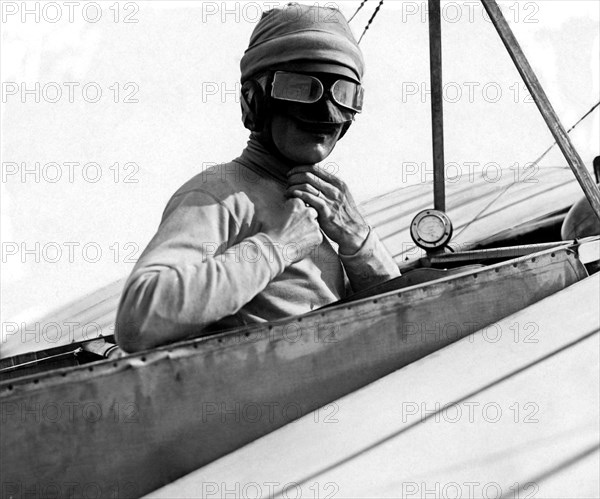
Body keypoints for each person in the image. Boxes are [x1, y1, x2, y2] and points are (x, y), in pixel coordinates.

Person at [115, 3, 400, 353]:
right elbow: (139, 318)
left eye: (344, 93)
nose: (327, 110)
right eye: (300, 87)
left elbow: (405, 319)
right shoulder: (217, 193)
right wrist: (278, 245)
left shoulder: (326, 203)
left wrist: (359, 241)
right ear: (255, 100)